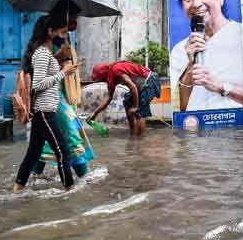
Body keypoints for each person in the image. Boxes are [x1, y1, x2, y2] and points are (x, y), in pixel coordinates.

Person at [13, 14, 79, 192]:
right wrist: (63, 73)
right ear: (50, 32)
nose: (64, 36)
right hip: (44, 111)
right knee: (63, 152)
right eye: (62, 32)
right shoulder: (42, 53)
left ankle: (17, 189)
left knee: (33, 154)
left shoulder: (46, 53)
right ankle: (69, 191)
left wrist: (65, 67)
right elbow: (38, 85)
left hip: (44, 110)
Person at [169, 0, 243, 112]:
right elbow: (180, 108)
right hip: (194, 128)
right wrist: (190, 67)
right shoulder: (180, 50)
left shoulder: (241, 37)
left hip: (233, 129)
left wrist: (221, 87)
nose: (196, 4)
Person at [89, 61, 161, 136]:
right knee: (127, 103)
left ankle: (140, 141)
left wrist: (135, 107)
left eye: (100, 79)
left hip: (149, 80)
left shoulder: (115, 70)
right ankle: (132, 135)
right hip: (138, 86)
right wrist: (94, 113)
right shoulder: (110, 78)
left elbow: (133, 87)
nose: (102, 81)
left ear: (103, 74)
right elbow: (109, 98)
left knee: (140, 112)